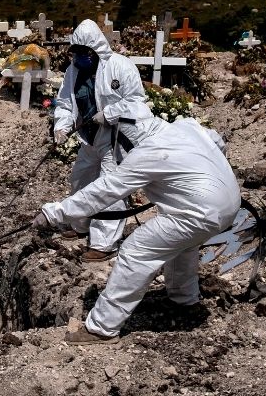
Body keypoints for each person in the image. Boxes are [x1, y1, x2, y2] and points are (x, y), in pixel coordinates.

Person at [34, 115, 240, 344]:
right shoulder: (186, 126)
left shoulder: (147, 153)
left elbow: (105, 190)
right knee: (183, 243)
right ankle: (184, 299)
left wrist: (55, 212)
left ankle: (102, 328)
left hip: (200, 211)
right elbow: (218, 142)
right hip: (229, 203)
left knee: (136, 250)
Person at [50, 19, 152, 261]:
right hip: (89, 139)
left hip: (115, 138)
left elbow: (137, 103)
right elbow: (65, 102)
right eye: (75, 53)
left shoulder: (120, 67)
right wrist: (61, 127)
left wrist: (108, 114)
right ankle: (81, 224)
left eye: (84, 53)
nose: (79, 58)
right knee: (80, 181)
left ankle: (104, 244)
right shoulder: (73, 72)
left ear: (96, 50)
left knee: (109, 188)